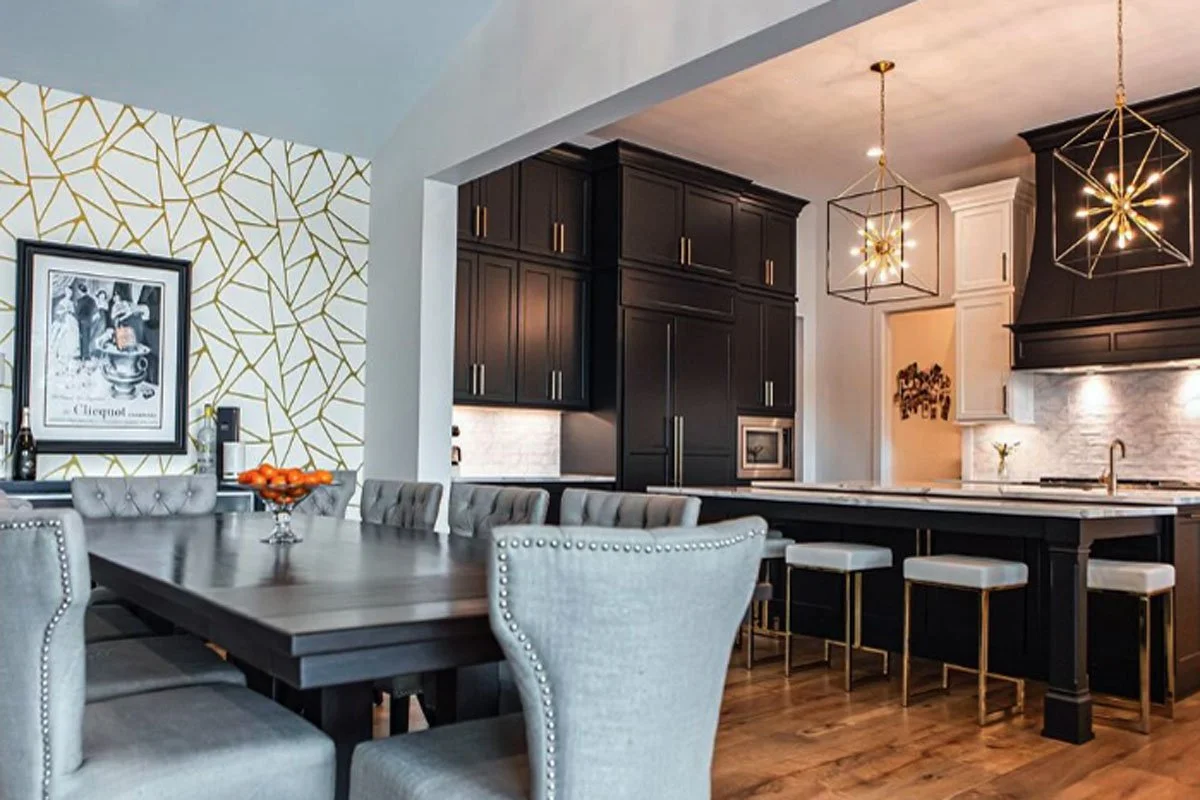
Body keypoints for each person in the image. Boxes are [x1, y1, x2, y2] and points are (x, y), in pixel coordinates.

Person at [48, 294, 80, 369]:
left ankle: (69, 355)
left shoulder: (71, 303)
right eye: (68, 292)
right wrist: (64, 311)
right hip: (63, 320)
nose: (70, 294)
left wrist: (70, 311)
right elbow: (58, 312)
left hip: (69, 319)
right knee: (61, 335)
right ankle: (60, 355)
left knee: (72, 333)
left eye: (71, 292)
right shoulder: (62, 301)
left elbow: (73, 312)